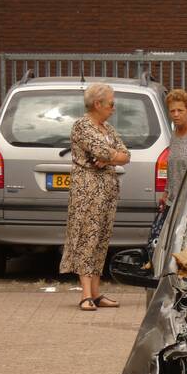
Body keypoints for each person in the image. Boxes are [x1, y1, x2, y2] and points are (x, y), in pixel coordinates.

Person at [59, 83, 131, 311]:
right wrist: (112, 156)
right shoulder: (82, 126)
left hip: (107, 191)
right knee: (86, 238)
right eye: (111, 103)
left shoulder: (107, 128)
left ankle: (96, 293)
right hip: (87, 192)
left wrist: (110, 158)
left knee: (101, 239)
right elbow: (103, 152)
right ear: (98, 104)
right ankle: (85, 294)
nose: (114, 108)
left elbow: (126, 155)